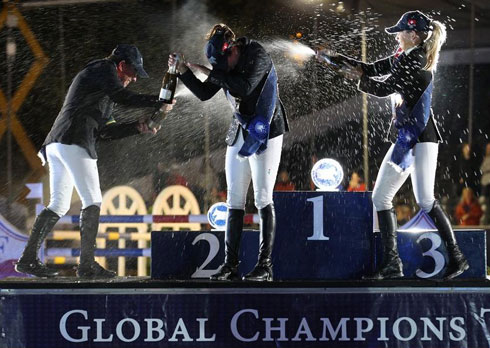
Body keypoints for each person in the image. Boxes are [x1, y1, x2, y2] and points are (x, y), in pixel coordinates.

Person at [318, 11, 469, 280]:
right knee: (383, 197)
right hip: (410, 137)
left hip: (419, 139)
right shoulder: (405, 57)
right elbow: (372, 69)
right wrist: (335, 59)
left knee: (423, 199)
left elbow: (382, 88)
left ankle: (454, 259)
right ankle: (394, 264)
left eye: (400, 32)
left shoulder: (415, 61)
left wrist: (357, 78)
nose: (397, 36)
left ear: (413, 35)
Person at [15, 44, 174, 279]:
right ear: (121, 66)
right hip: (75, 141)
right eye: (133, 74)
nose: (134, 80)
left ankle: (27, 259)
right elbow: (123, 96)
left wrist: (137, 128)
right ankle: (87, 265)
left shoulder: (103, 91)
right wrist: (158, 100)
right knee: (93, 201)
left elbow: (105, 132)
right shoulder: (103, 69)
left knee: (58, 204)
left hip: (57, 144)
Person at [169, 24, 289, 281]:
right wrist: (183, 73)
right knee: (234, 199)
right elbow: (203, 93)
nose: (225, 69)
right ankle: (229, 266)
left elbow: (243, 88)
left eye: (226, 63)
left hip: (265, 129)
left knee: (262, 198)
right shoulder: (224, 65)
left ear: (233, 49)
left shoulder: (257, 54)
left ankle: (264, 266)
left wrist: (206, 72)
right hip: (239, 131)